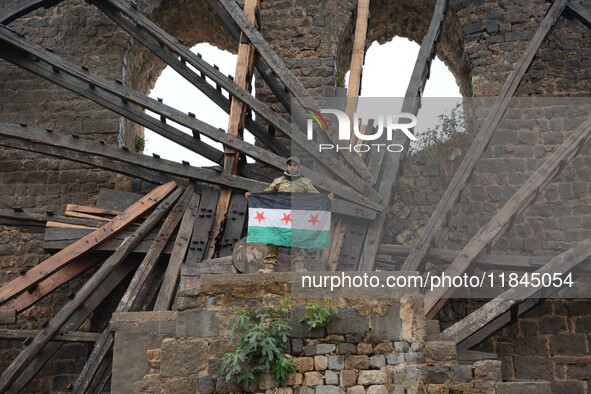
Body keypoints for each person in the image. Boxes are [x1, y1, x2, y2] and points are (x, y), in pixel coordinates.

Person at [245, 156, 334, 273]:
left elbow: (315, 197)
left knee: (297, 240)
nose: (292, 168)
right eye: (290, 165)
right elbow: (266, 194)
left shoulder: (305, 182)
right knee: (273, 239)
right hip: (279, 217)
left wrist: (326, 198)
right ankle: (269, 267)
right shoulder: (278, 181)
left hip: (297, 217)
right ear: (286, 167)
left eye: (295, 165)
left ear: (299, 167)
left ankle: (299, 268)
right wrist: (253, 196)